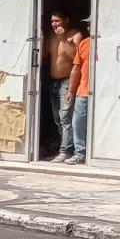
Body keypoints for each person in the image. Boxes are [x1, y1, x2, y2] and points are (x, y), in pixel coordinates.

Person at [45, 11, 79, 161]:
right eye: (52, 21)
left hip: (66, 81)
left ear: (66, 20)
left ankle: (67, 150)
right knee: (57, 118)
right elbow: (44, 55)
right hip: (52, 82)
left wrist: (63, 39)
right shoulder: (51, 37)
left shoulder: (75, 34)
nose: (54, 24)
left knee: (66, 118)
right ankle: (63, 148)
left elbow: (76, 57)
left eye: (57, 21)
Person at [63, 18, 92, 165]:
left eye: (91, 24)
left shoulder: (107, 43)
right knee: (77, 123)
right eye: (88, 24)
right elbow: (76, 68)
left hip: (104, 93)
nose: (89, 26)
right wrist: (71, 91)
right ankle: (80, 153)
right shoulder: (84, 43)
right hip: (83, 91)